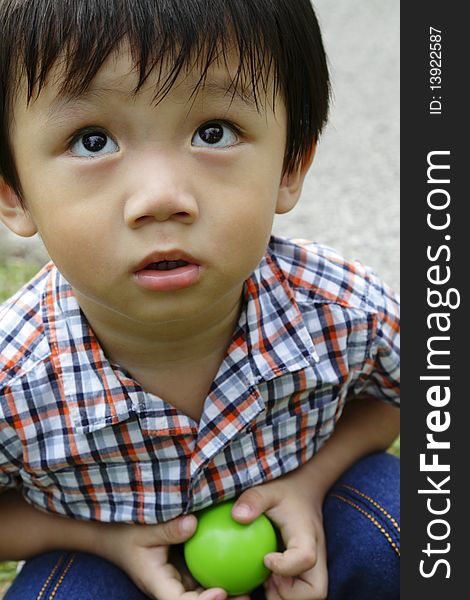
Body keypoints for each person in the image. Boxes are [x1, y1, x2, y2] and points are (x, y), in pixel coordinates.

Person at [0, 1, 400, 598]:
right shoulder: (15, 378)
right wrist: (103, 541)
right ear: (15, 194)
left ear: (291, 164)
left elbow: (402, 395)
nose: (162, 198)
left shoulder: (340, 308)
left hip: (311, 531)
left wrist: (311, 483)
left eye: (213, 133)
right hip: (113, 562)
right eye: (92, 140)